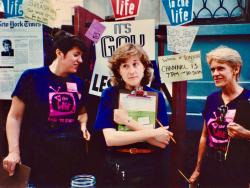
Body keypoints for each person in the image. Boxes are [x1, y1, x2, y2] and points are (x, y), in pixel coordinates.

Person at [2, 32, 90, 187]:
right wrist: (13, 152)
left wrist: (83, 125)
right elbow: (14, 117)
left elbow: (82, 113)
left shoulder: (78, 83)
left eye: (81, 56)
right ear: (59, 53)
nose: (80, 60)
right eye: (76, 55)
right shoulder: (32, 77)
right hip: (38, 160)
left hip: (69, 161)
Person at [94, 43, 173, 187]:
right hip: (118, 163)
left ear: (144, 67)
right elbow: (111, 139)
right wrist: (153, 133)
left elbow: (162, 141)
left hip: (150, 165)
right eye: (125, 66)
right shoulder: (110, 94)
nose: (131, 71)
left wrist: (127, 121)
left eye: (135, 64)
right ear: (118, 71)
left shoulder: (156, 96)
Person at [189, 46, 250, 187]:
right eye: (212, 69)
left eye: (220, 68)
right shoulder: (211, 99)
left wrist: (246, 134)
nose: (215, 73)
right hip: (211, 167)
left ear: (236, 69)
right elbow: (205, 136)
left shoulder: (248, 99)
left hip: (239, 170)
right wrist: (198, 169)